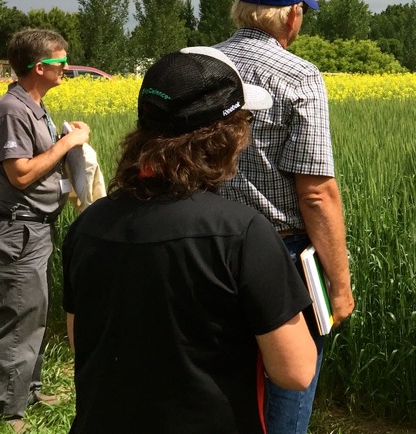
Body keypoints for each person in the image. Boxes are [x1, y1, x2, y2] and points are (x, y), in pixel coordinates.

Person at [62, 47, 316, 434]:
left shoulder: (88, 226)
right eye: (244, 121)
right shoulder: (242, 233)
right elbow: (296, 372)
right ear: (224, 135)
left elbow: (81, 343)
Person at [216, 0, 354, 434]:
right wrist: (339, 286)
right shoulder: (299, 76)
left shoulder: (202, 65)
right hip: (279, 256)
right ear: (292, 14)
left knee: (223, 376)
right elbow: (316, 192)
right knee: (289, 382)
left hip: (204, 244)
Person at [0, 29, 90, 430]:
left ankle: (29, 389)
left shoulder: (34, 106)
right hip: (19, 232)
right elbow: (19, 174)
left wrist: (63, 138)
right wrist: (67, 144)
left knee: (34, 311)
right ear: (40, 67)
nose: (66, 68)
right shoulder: (12, 110)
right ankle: (9, 409)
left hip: (37, 229)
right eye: (61, 62)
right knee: (19, 316)